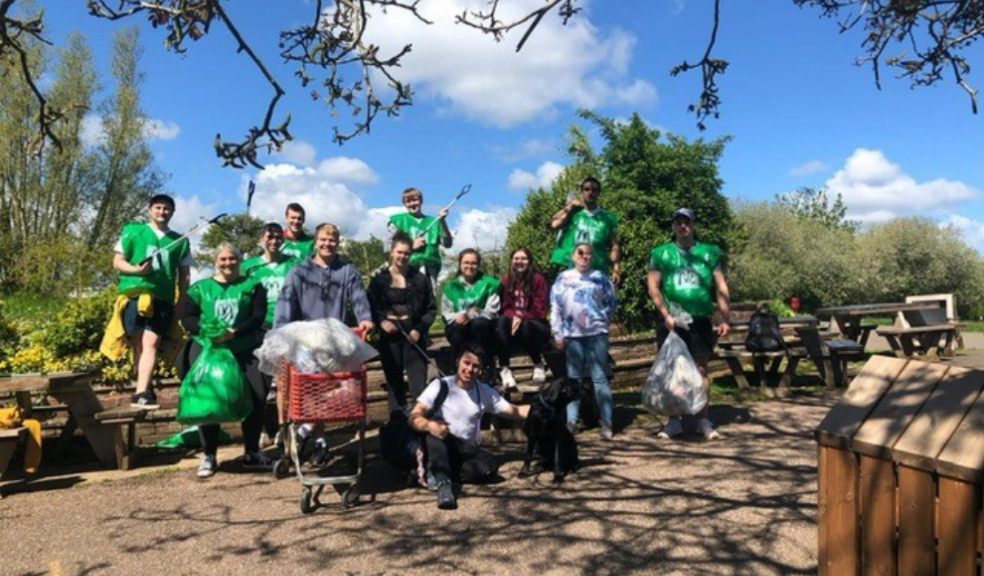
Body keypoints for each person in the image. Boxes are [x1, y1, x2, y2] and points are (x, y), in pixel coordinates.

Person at [274, 222, 374, 461]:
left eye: (332, 240)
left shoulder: (347, 270)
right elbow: (286, 303)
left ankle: (309, 431)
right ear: (315, 242)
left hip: (334, 339)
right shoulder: (299, 272)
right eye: (323, 240)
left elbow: (358, 296)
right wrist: (281, 331)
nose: (328, 244)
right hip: (306, 340)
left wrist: (365, 318)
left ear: (337, 243)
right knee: (311, 388)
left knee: (335, 388)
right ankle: (317, 438)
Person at [178, 243, 269, 478]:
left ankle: (252, 451)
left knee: (256, 395)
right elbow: (186, 317)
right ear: (215, 261)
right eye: (223, 259)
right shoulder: (200, 288)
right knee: (208, 401)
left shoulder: (253, 285)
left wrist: (235, 331)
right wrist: (206, 329)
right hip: (211, 351)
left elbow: (258, 316)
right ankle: (209, 454)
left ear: (239, 260)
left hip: (244, 349)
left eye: (232, 259)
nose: (228, 263)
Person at [409, 342, 530, 510]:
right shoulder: (441, 385)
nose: (469, 369)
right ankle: (444, 485)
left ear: (480, 370)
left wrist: (544, 406)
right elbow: (414, 417)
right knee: (435, 436)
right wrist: (430, 425)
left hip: (465, 450)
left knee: (489, 467)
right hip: (441, 442)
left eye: (475, 366)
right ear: (458, 362)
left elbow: (514, 411)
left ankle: (435, 473)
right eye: (466, 363)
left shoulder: (484, 391)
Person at [647, 207, 730, 441]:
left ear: (693, 225)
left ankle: (703, 419)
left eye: (687, 222)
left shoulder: (709, 252)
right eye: (678, 222)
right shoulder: (661, 253)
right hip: (672, 320)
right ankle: (674, 421)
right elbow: (653, 286)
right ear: (673, 226)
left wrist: (725, 316)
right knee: (671, 371)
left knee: (701, 370)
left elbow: (720, 286)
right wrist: (665, 314)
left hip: (700, 319)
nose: (683, 226)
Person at [112, 194, 192, 409]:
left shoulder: (180, 241)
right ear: (150, 210)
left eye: (166, 209)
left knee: (151, 343)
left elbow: (184, 275)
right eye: (158, 208)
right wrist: (136, 270)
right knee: (139, 344)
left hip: (162, 298)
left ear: (173, 212)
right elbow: (118, 261)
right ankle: (144, 388)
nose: (162, 212)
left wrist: (181, 301)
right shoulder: (133, 231)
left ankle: (141, 392)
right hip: (134, 296)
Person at [550, 243, 617, 440]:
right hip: (573, 336)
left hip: (597, 334)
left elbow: (612, 302)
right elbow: (555, 306)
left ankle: (607, 422)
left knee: (600, 379)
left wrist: (600, 319)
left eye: (588, 253)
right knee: (573, 380)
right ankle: (571, 422)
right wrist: (558, 333)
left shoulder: (601, 277)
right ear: (572, 255)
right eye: (580, 252)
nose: (584, 256)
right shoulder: (563, 278)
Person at [368, 232, 437, 411]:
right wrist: (382, 322)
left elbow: (431, 309)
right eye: (399, 252)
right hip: (390, 338)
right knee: (394, 385)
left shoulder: (421, 280)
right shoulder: (379, 281)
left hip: (414, 337)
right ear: (391, 252)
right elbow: (371, 308)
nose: (402, 256)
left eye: (406, 253)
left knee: (418, 387)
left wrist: (419, 329)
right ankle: (397, 426)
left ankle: (420, 426)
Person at [241, 222, 297, 443]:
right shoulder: (249, 267)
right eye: (269, 237)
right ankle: (263, 428)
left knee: (285, 382)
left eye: (278, 238)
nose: (274, 241)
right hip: (258, 328)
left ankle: (285, 428)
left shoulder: (292, 264)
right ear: (261, 239)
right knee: (260, 383)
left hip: (284, 328)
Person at [549, 176, 622, 286]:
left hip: (597, 271)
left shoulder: (607, 218)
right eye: (586, 189)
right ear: (582, 191)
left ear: (599, 193)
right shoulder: (574, 212)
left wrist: (616, 268)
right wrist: (569, 207)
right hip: (572, 270)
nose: (590, 192)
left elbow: (614, 245)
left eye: (594, 190)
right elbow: (554, 224)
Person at [441, 249, 500, 381]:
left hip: (482, 328)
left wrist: (472, 314)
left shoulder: (489, 284)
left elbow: (492, 311)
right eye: (466, 262)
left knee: (480, 324)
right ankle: (456, 367)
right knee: (457, 327)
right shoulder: (451, 287)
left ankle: (486, 366)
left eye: (473, 263)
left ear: (478, 265)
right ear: (460, 264)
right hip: (460, 328)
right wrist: (462, 316)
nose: (470, 266)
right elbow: (446, 313)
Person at [496, 247, 550, 390]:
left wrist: (521, 316)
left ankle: (538, 363)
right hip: (514, 328)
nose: (520, 261)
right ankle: (505, 368)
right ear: (511, 261)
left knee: (527, 326)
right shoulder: (507, 280)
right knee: (501, 321)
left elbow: (540, 310)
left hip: (536, 326)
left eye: (523, 258)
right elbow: (505, 307)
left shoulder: (538, 280)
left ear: (529, 261)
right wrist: (514, 316)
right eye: (516, 258)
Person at [386, 187, 453, 284]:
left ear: (421, 201)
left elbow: (447, 244)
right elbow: (388, 248)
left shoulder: (434, 222)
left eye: (414, 200)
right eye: (408, 201)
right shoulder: (397, 221)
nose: (412, 204)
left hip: (430, 271)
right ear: (404, 204)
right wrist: (410, 247)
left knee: (428, 298)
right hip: (405, 271)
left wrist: (442, 221)